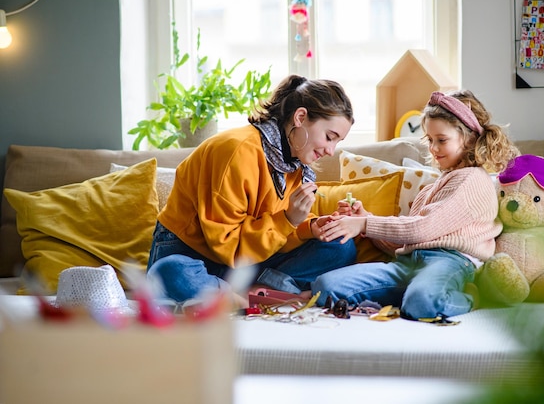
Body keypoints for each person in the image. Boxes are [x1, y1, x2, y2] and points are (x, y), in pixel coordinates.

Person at [146, 74, 357, 305]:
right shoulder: (236, 151)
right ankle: (261, 297)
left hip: (247, 260)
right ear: (300, 117)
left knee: (341, 245)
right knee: (170, 272)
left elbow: (273, 236)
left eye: (337, 142)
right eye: (329, 137)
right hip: (196, 255)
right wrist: (287, 220)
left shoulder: (296, 165)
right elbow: (227, 247)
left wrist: (311, 227)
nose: (330, 151)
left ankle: (249, 294)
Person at [311, 90, 518, 320]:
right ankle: (413, 294)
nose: (433, 148)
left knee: (421, 303)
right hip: (410, 263)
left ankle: (469, 296)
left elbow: (423, 228)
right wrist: (365, 217)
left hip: (450, 263)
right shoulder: (431, 188)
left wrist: (364, 223)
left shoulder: (472, 180)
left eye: (441, 140)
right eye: (430, 140)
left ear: (469, 139)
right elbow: (407, 240)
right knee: (325, 286)